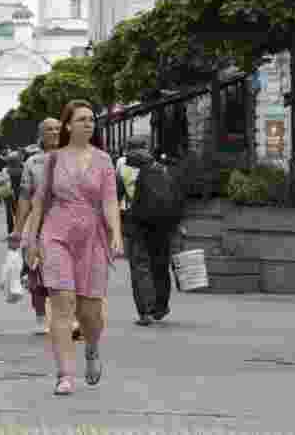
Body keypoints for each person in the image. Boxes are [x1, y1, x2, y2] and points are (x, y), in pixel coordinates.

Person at [25, 100, 124, 396]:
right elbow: (40, 201)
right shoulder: (54, 160)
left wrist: (116, 233)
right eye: (82, 119)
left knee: (90, 313)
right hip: (57, 234)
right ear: (68, 125)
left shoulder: (104, 160)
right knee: (63, 302)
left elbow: (109, 200)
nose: (88, 123)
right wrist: (31, 239)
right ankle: (64, 374)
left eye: (91, 119)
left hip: (92, 237)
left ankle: (91, 347)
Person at [122, 134, 184, 326]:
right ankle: (161, 306)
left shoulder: (124, 169)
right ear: (146, 147)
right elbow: (176, 195)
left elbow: (114, 197)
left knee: (140, 266)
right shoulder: (162, 168)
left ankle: (146, 310)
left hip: (138, 223)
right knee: (160, 264)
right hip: (163, 224)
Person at [14, 118, 60, 335]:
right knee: (36, 271)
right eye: (49, 129)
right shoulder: (32, 162)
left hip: (69, 223)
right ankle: (41, 315)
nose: (54, 132)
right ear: (41, 135)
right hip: (39, 224)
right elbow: (24, 196)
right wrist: (17, 228)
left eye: (58, 129)